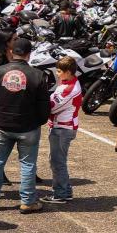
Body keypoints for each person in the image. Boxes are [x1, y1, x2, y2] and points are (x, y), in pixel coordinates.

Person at [0, 38, 51, 214]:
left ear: (11, 52)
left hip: (2, 124)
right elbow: (44, 105)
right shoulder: (38, 75)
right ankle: (27, 202)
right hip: (28, 126)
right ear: (29, 54)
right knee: (28, 165)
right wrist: (39, 121)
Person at [42, 56, 82, 204]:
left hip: (63, 128)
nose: (57, 73)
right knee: (58, 160)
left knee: (58, 161)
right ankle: (64, 191)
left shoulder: (69, 89)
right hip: (64, 126)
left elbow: (51, 106)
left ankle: (61, 193)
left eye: (59, 71)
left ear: (68, 72)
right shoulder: (68, 82)